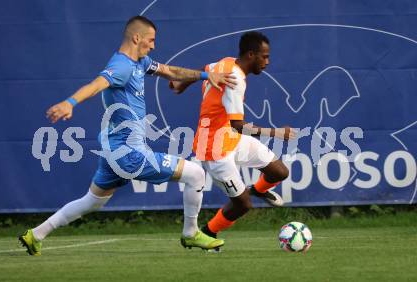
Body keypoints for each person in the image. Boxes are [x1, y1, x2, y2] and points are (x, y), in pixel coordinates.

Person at [19, 15, 236, 256]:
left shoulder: (141, 62)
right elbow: (96, 85)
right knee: (196, 174)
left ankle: (35, 234)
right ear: (136, 38)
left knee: (93, 200)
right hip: (129, 154)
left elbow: (170, 70)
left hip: (113, 150)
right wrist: (70, 102)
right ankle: (190, 234)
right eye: (151, 40)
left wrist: (206, 76)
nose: (153, 45)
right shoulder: (121, 66)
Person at [169, 31, 296, 240]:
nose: (267, 62)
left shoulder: (227, 63)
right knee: (243, 205)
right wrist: (276, 132)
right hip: (214, 149)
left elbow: (205, 70)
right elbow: (238, 125)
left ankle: (258, 190)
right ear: (250, 55)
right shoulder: (236, 80)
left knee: (279, 172)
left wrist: (182, 83)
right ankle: (208, 232)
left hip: (231, 138)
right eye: (264, 56)